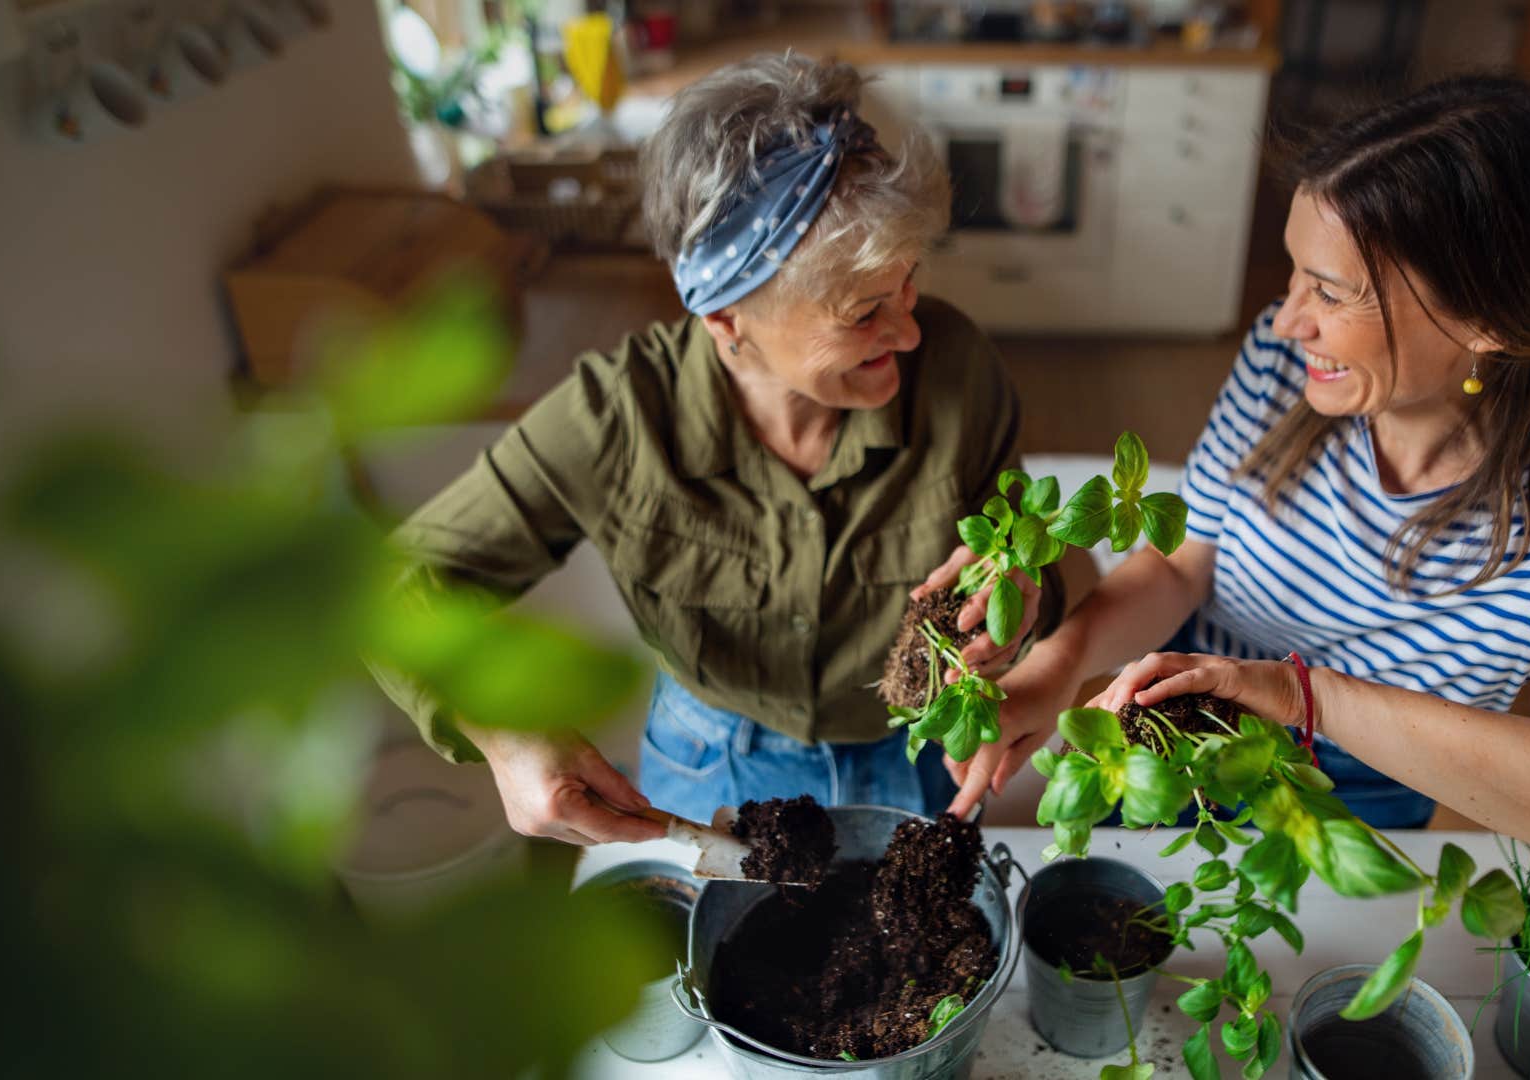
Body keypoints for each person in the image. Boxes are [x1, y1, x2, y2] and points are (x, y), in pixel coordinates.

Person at [946, 74, 1530, 875]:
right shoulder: (1284, 366)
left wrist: (1304, 696)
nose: (1286, 318)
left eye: (1332, 291)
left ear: (1489, 321)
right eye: (1294, 274)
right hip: (1164, 732)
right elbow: (1180, 563)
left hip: (1352, 805)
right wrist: (1058, 669)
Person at [374, 55, 1060, 845]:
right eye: (864, 311)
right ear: (728, 322)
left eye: (907, 283)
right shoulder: (616, 420)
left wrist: (1021, 599)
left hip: (910, 759)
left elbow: (1023, 559)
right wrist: (498, 733)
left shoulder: (957, 367)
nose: (907, 331)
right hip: (713, 771)